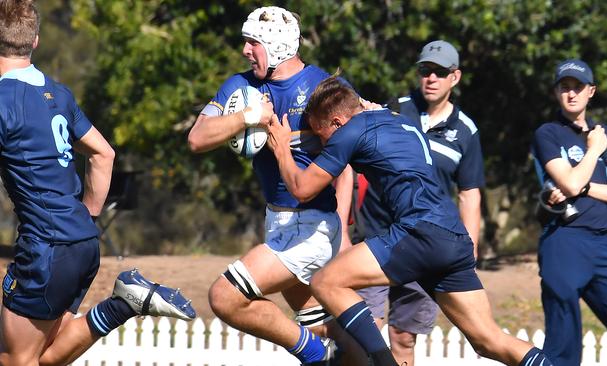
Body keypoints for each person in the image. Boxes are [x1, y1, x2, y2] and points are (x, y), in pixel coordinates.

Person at [265, 74, 552, 366]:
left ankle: (383, 363)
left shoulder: (349, 132)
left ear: (338, 122)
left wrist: (281, 151)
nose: (324, 142)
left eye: (322, 132)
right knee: (489, 340)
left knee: (326, 282)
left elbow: (302, 189)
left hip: (419, 232)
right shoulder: (398, 119)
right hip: (453, 236)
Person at [0, 1, 195, 365]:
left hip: (46, 248)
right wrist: (86, 217)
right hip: (81, 243)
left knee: (15, 360)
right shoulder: (57, 93)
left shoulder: (2, 99)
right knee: (44, 358)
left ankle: (123, 304)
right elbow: (104, 154)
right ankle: (121, 305)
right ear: (35, 40)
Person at [187, 6, 364, 365]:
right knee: (323, 327)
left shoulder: (324, 88)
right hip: (279, 222)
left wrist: (343, 228)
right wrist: (250, 116)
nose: (245, 51)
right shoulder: (243, 86)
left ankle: (317, 357)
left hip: (312, 226)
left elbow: (347, 165)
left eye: (252, 43)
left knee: (224, 297)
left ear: (278, 45)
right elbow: (197, 137)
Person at [350, 40, 485, 365]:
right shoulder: (395, 108)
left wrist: (471, 250)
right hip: (378, 236)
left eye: (440, 72)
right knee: (362, 334)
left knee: (403, 336)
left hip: (426, 245)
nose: (431, 78)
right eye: (426, 70)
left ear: (455, 77)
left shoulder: (466, 131)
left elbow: (469, 193)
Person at [531, 59, 607, 366]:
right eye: (564, 87)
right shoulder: (548, 134)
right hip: (564, 241)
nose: (571, 94)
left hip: (603, 247)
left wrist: (582, 187)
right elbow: (567, 183)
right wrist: (593, 152)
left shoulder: (606, 134)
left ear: (591, 91)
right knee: (564, 348)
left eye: (578, 87)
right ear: (556, 92)